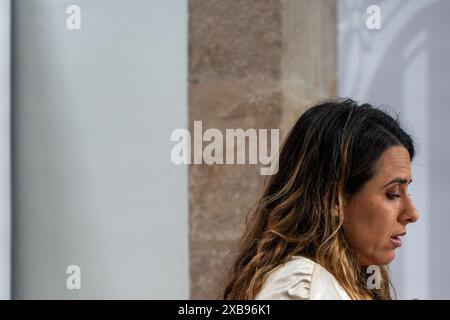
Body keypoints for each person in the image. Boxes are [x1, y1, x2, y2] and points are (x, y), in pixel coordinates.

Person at [222, 98, 419, 300]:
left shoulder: (343, 282)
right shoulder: (303, 288)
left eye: (407, 192)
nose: (412, 214)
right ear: (335, 199)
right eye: (393, 194)